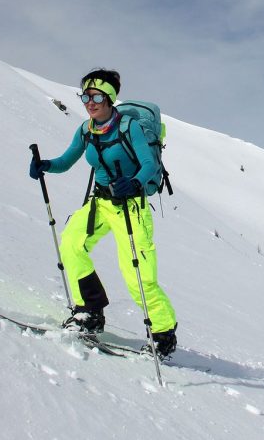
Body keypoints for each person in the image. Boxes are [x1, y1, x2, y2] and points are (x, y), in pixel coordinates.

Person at [29, 68, 177, 356]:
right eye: (85, 95)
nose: (90, 101)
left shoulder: (128, 127)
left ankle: (163, 334)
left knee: (137, 274)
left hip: (131, 207)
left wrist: (133, 182)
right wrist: (46, 165)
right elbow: (66, 160)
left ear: (109, 98)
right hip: (100, 203)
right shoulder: (86, 129)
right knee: (71, 246)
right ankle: (90, 311)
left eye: (96, 95)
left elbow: (148, 165)